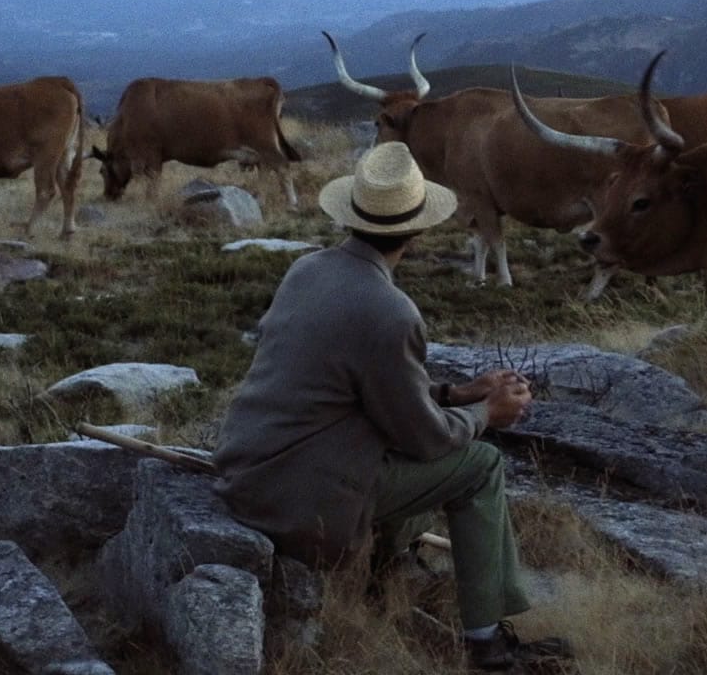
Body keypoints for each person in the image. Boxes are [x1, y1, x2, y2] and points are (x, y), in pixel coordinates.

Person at [214, 142, 573, 672]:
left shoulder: (307, 270)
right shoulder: (390, 310)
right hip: (301, 502)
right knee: (478, 466)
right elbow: (423, 439)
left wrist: (458, 393)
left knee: (422, 451)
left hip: (248, 474)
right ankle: (487, 644)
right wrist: (486, 416)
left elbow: (356, 392)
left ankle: (383, 582)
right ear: (419, 230)